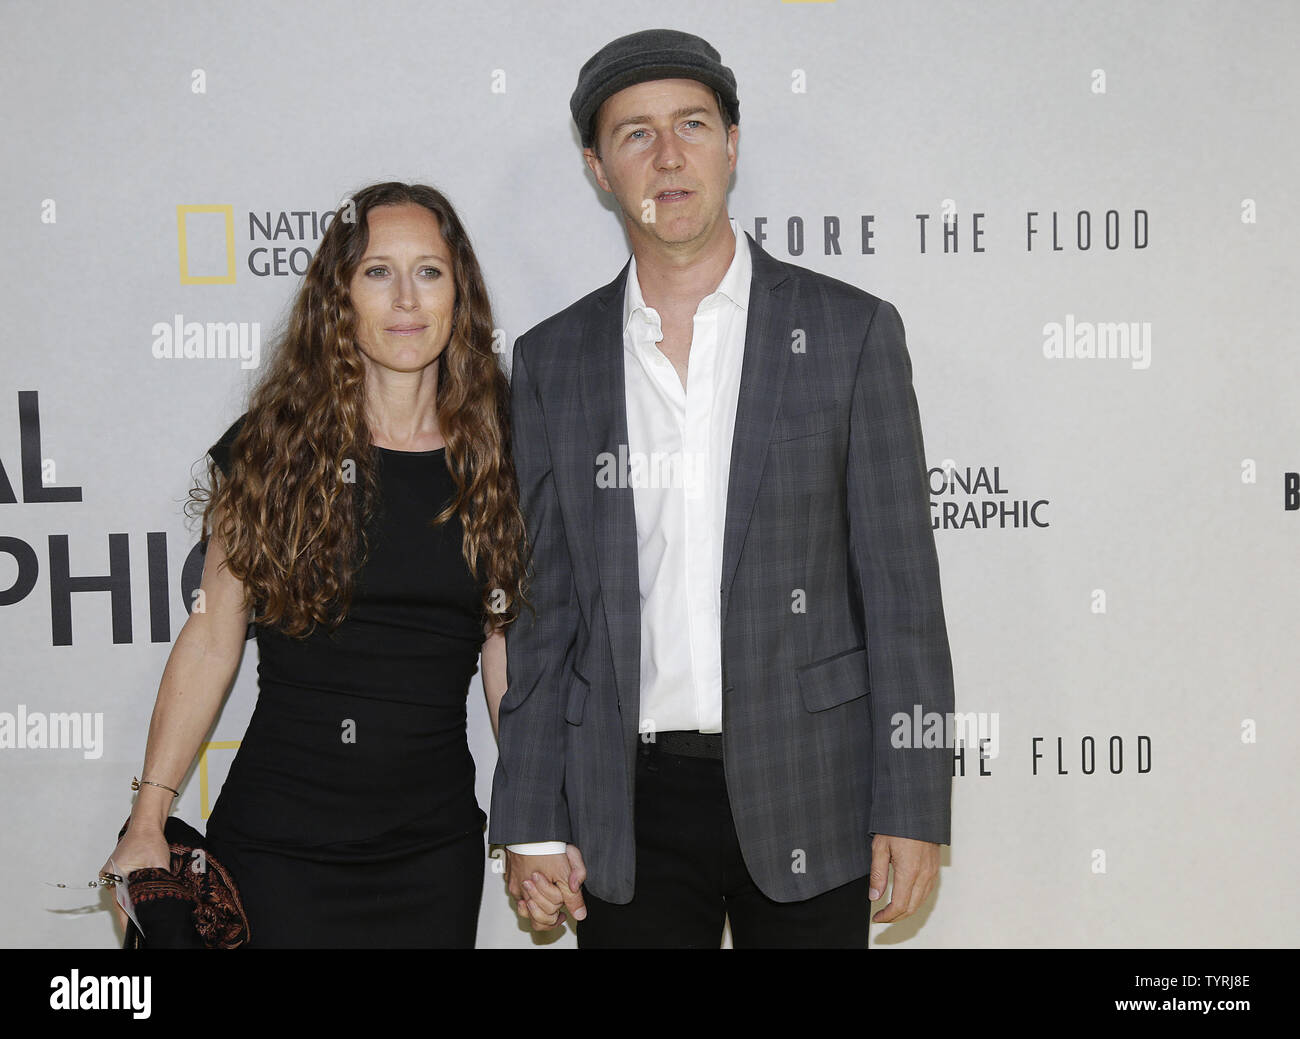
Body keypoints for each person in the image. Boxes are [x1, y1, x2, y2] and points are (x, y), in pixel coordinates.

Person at [490, 29, 956, 948]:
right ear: (597, 167)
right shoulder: (554, 361)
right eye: (635, 134)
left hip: (812, 786)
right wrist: (532, 818)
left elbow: (902, 595)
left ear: (732, 144)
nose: (669, 156)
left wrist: (914, 799)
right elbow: (543, 614)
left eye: (692, 124)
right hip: (625, 804)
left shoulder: (847, 332)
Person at [103, 181, 528, 948]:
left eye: (429, 271)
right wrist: (147, 818)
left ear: (458, 293)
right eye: (376, 272)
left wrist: (535, 818)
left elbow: (504, 655)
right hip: (277, 848)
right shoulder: (276, 446)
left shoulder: (499, 451)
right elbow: (209, 639)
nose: (405, 298)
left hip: (430, 857)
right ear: (339, 295)